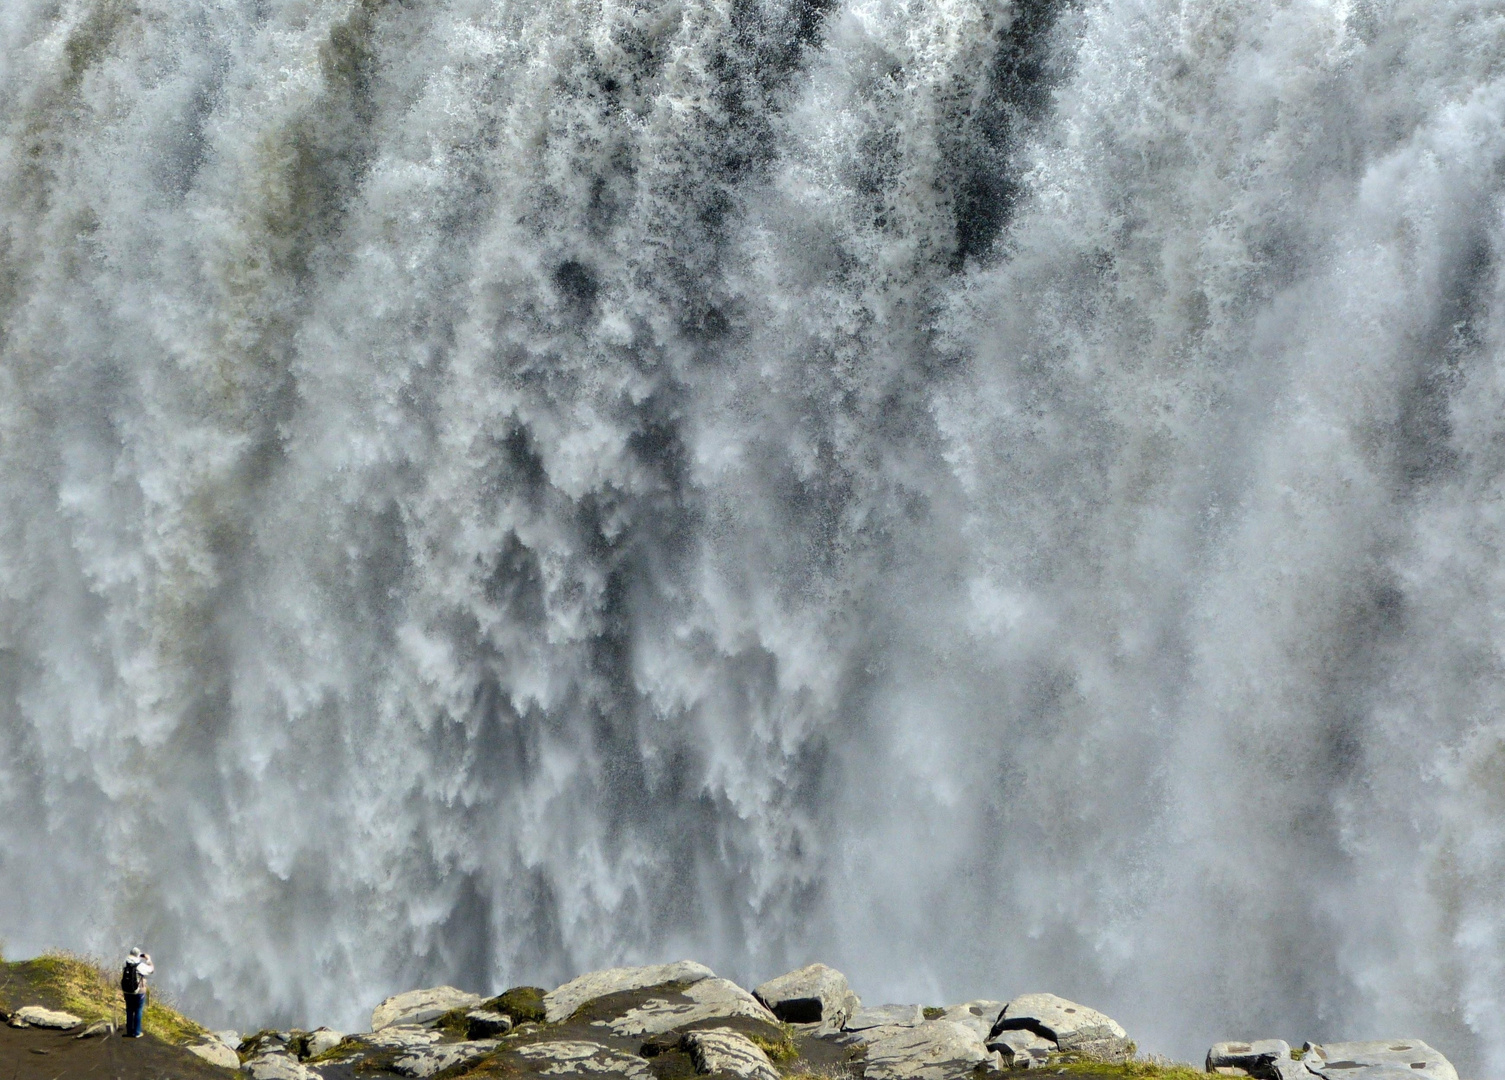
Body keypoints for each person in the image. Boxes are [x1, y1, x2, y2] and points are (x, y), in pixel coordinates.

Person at [120, 947, 153, 1038]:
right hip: (139, 992)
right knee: (138, 1010)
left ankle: (129, 1031)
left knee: (129, 1010)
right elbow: (151, 970)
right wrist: (148, 959)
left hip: (127, 990)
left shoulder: (125, 962)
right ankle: (137, 1032)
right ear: (138, 955)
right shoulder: (140, 965)